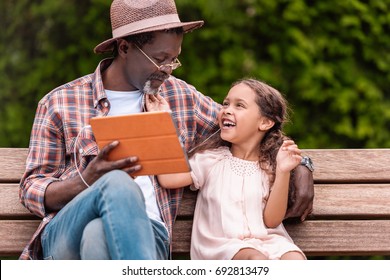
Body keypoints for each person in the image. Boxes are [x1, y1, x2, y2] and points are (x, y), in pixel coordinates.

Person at [19, 0, 313, 260]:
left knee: (99, 236)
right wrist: (88, 179)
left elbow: (253, 129)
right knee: (119, 184)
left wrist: (301, 167)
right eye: (160, 59)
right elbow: (32, 188)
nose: (169, 69)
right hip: (66, 235)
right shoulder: (60, 102)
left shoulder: (180, 97)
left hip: (149, 236)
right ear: (125, 47)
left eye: (174, 58)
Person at [154, 78, 306, 260]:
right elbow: (168, 179)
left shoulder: (270, 166)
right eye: (226, 103)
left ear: (265, 123)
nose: (226, 110)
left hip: (267, 242)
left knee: (294, 259)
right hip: (222, 247)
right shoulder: (210, 159)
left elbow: (272, 221)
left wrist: (283, 172)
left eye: (239, 105)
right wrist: (161, 122)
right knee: (255, 260)